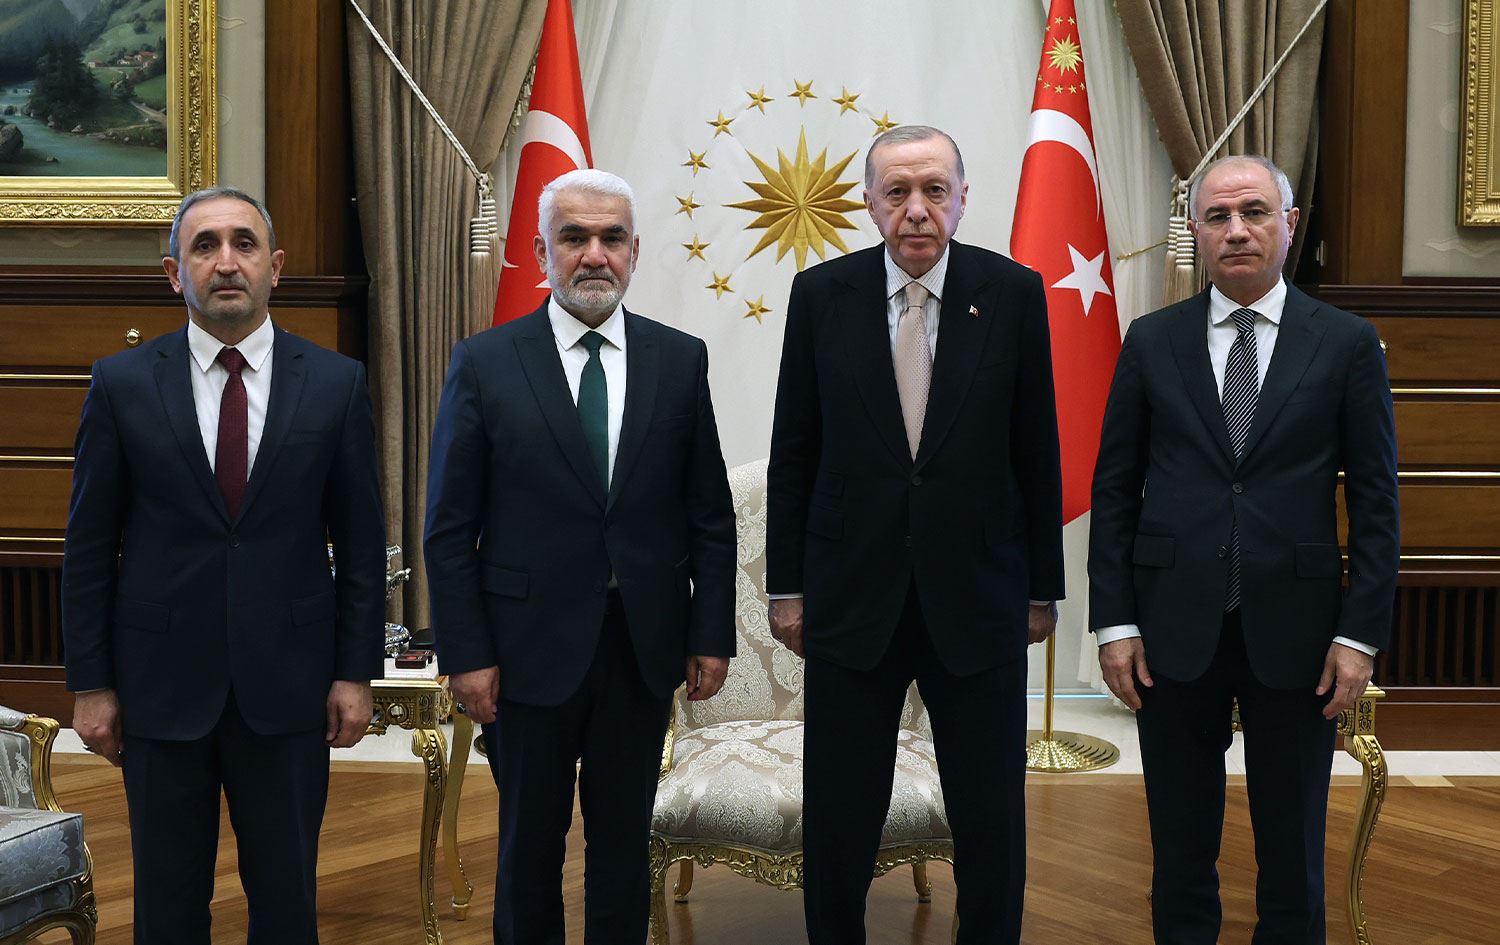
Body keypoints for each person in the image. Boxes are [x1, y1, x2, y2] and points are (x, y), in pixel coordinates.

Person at [62, 186, 387, 945]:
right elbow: (89, 548)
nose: (226, 262)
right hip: (159, 689)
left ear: (275, 266)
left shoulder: (336, 383)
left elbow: (360, 544)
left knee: (286, 902)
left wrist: (354, 672)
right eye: (204, 246)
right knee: (168, 907)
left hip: (290, 686)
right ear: (174, 272)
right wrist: (91, 683)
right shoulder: (122, 383)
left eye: (244, 243)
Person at [1088, 154, 1399, 944]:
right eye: (1217, 216)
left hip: (1301, 633)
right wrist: (1115, 622)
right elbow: (1115, 490)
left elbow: (1375, 502)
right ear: (1195, 232)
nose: (1236, 230)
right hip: (1169, 629)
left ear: (1288, 225)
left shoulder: (1346, 343)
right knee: (1179, 848)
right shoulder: (1152, 340)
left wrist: (1359, 634)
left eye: (1254, 212)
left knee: (1292, 853)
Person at [767, 125, 1065, 944]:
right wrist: (787, 586)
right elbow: (795, 451)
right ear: (869, 204)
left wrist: (1042, 588)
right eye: (896, 192)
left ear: (963, 199)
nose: (917, 209)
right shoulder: (821, 295)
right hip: (851, 597)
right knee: (840, 814)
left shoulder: (1013, 292)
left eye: (935, 190)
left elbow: (1036, 450)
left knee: (991, 814)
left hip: (980, 595)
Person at [424, 168, 736, 945]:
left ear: (634, 251)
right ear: (541, 252)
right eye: (574, 237)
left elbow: (709, 514)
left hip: (641, 646)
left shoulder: (679, 359)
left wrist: (709, 632)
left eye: (611, 237)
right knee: (529, 845)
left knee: (624, 845)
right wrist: (466, 652)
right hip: (522, 652)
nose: (594, 254)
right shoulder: (486, 361)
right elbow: (449, 528)